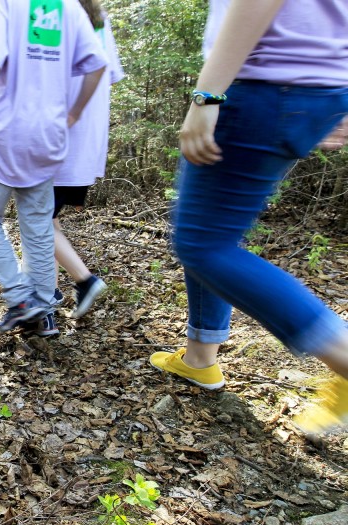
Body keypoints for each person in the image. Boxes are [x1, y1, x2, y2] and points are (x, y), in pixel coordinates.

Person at [148, 0, 348, 436]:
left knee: (203, 244)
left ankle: (344, 354)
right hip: (314, 88)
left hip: (265, 85)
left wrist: (208, 93)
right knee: (209, 231)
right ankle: (200, 357)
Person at [0, 0, 107, 335]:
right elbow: (97, 65)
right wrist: (74, 114)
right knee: (37, 224)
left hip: (4, 132)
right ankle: (42, 308)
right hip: (48, 135)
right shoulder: (69, 6)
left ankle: (20, 299)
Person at [52, 0, 123, 318]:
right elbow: (109, 75)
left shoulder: (56, 13)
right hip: (88, 141)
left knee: (37, 221)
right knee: (47, 217)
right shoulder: (98, 18)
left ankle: (84, 279)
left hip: (61, 136)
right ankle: (49, 294)